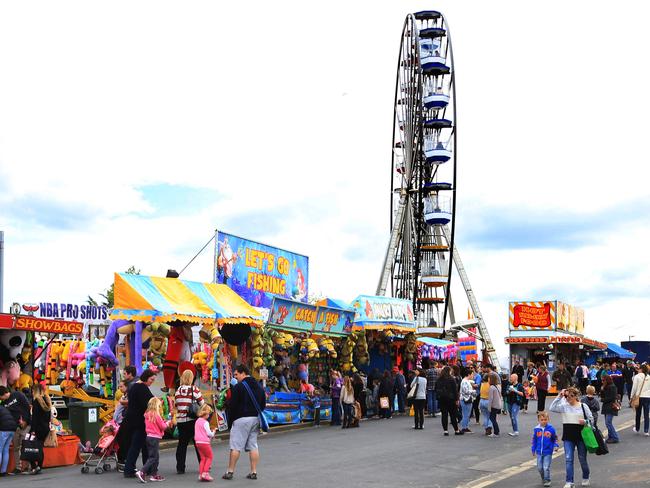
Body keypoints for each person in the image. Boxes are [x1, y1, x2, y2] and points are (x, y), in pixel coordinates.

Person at [223, 364, 266, 481]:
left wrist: (230, 422)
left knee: (235, 446)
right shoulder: (259, 387)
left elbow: (233, 406)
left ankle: (230, 471)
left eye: (236, 375)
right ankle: (253, 472)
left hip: (241, 419)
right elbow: (263, 405)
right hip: (255, 419)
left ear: (243, 373)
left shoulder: (238, 387)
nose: (235, 377)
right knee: (253, 445)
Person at [550, 387, 593, 488]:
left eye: (571, 396)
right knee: (568, 459)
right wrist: (559, 396)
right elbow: (552, 408)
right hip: (568, 437)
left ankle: (586, 477)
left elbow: (591, 419)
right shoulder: (564, 406)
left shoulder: (583, 406)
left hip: (581, 436)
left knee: (582, 459)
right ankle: (569, 481)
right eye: (567, 396)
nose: (568, 398)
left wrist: (586, 422)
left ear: (576, 396)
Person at [124, 369, 156, 478]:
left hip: (131, 420)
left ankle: (146, 468)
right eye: (151, 379)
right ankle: (129, 469)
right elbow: (148, 403)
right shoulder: (142, 388)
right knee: (137, 446)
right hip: (139, 422)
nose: (152, 382)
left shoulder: (134, 386)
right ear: (146, 377)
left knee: (141, 446)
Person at [175, 369, 205, 475]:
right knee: (198, 443)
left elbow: (176, 405)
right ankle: (203, 464)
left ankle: (180, 467)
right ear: (191, 378)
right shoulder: (195, 390)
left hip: (181, 421)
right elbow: (202, 404)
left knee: (182, 444)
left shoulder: (178, 390)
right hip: (192, 421)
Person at [137, 397, 173, 483]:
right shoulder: (156, 415)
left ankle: (154, 474)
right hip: (155, 437)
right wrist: (167, 422)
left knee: (155, 456)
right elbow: (163, 427)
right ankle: (142, 471)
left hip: (149, 436)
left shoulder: (147, 414)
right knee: (153, 457)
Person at [0, 385, 31, 474]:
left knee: (26, 445)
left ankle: (28, 466)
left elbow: (27, 407)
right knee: (16, 448)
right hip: (14, 427)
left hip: (26, 425)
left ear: (3, 394)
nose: (1, 399)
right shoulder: (3, 404)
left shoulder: (18, 395)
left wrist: (25, 421)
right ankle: (18, 467)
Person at [116, 365, 139, 471]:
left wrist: (123, 402)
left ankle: (124, 462)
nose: (124, 375)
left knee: (125, 440)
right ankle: (126, 463)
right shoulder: (134, 383)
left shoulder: (132, 384)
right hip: (130, 415)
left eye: (125, 374)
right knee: (128, 440)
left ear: (130, 374)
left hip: (129, 416)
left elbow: (132, 401)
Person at [531, 411, 559, 488]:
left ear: (548, 419)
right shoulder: (536, 429)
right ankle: (543, 478)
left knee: (546, 467)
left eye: (545, 419)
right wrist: (533, 449)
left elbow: (554, 438)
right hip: (539, 451)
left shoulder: (551, 429)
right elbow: (534, 440)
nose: (544, 421)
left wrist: (556, 445)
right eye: (542, 420)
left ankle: (547, 480)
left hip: (548, 451)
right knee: (540, 468)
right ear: (539, 420)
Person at [435, 366, 461, 435]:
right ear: (449, 371)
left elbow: (436, 389)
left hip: (441, 399)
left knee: (444, 415)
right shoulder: (451, 379)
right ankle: (456, 430)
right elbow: (455, 390)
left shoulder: (439, 379)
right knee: (453, 415)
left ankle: (445, 431)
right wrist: (456, 399)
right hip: (451, 399)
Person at [195, 404, 217, 482]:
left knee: (203, 458)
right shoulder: (205, 422)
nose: (209, 416)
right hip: (204, 442)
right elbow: (209, 434)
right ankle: (205, 473)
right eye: (209, 414)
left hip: (198, 442)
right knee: (210, 457)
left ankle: (201, 474)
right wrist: (213, 431)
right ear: (206, 414)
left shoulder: (197, 421)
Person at [631, 363, 650, 435]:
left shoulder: (637, 376)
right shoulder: (648, 376)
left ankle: (637, 428)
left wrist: (631, 396)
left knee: (638, 413)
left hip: (639, 397)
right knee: (646, 414)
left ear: (641, 369)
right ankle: (646, 430)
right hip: (647, 397)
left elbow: (634, 388)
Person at [600, 374, 619, 444]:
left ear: (607, 380)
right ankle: (611, 436)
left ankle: (615, 437)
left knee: (608, 422)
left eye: (603, 380)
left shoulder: (612, 387)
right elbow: (602, 396)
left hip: (611, 407)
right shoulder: (605, 387)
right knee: (607, 422)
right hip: (606, 407)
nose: (602, 381)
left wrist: (603, 400)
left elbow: (613, 397)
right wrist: (602, 389)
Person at [0, 402, 17, 476]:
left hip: (4, 429)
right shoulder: (4, 408)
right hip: (12, 429)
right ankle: (3, 471)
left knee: (0, 449)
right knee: (5, 449)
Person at [459, 368, 476, 434]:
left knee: (466, 414)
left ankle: (465, 427)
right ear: (468, 374)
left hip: (465, 399)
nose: (473, 376)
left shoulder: (465, 381)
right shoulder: (465, 381)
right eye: (472, 374)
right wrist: (473, 391)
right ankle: (464, 428)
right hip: (466, 399)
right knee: (466, 414)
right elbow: (465, 391)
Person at [479, 366, 493, 435]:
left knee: (485, 416)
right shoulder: (490, 385)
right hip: (488, 401)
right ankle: (489, 427)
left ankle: (486, 428)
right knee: (490, 415)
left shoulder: (482, 384)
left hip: (482, 401)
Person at [487, 373, 502, 438]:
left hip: (494, 405)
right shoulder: (498, 386)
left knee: (492, 418)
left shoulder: (491, 387)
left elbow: (490, 398)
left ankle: (496, 432)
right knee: (494, 418)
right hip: (498, 404)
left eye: (489, 379)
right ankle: (496, 431)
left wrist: (489, 407)